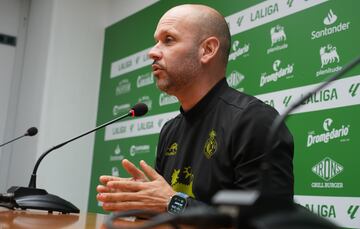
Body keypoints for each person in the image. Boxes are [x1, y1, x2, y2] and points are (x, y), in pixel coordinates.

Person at [96, 4, 294, 213]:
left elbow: (269, 220)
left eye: (168, 40)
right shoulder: (170, 130)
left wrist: (173, 203)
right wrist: (144, 201)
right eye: (156, 42)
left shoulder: (254, 121)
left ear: (207, 50)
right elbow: (165, 209)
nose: (152, 52)